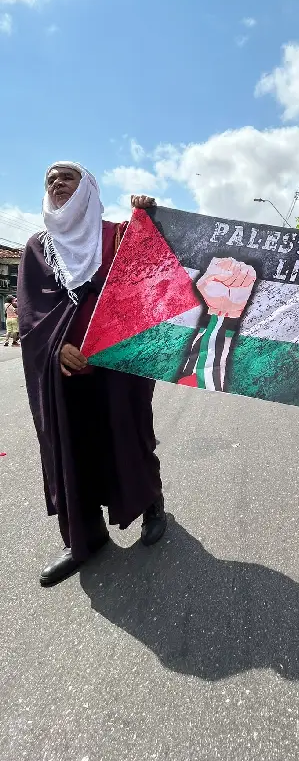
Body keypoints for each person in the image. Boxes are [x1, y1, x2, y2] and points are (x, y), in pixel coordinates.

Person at [18, 162, 168, 587]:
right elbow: (31, 315)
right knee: (72, 449)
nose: (57, 183)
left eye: (68, 177)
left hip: (119, 366)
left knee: (131, 435)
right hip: (65, 372)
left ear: (88, 188)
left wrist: (149, 222)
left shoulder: (118, 234)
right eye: (50, 179)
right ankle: (85, 537)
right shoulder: (37, 247)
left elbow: (154, 281)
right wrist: (57, 348)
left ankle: (152, 506)